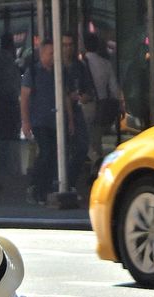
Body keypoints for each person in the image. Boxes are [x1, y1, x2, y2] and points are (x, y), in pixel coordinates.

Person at [21, 40, 73, 205]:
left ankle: (46, 188)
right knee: (46, 152)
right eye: (50, 53)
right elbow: (24, 98)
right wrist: (26, 121)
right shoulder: (33, 72)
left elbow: (65, 96)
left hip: (56, 119)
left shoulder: (60, 72)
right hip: (40, 120)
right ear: (42, 54)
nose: (53, 57)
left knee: (54, 155)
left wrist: (70, 120)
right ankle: (36, 186)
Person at [81, 32, 122, 165]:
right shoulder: (106, 63)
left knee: (82, 136)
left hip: (85, 104)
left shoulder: (81, 63)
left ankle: (94, 159)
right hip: (101, 105)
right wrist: (119, 104)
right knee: (96, 138)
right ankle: (96, 166)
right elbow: (114, 88)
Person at [60, 34, 91, 194]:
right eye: (64, 45)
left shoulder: (80, 66)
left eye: (70, 44)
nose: (68, 48)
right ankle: (60, 182)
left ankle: (69, 181)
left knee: (81, 147)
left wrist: (83, 96)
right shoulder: (55, 65)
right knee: (59, 148)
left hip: (76, 109)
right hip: (58, 111)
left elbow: (88, 89)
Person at [0, 33, 22, 178]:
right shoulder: (9, 62)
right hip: (8, 102)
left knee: (0, 134)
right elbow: (13, 85)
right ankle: (8, 166)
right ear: (11, 46)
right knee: (10, 135)